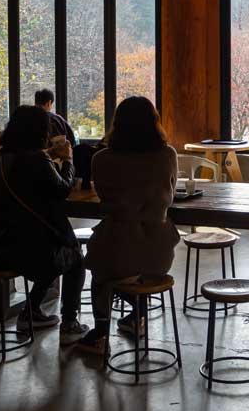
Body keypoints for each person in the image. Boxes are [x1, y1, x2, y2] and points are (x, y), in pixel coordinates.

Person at [76, 97, 180, 355]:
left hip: (117, 248)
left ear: (117, 123)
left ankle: (100, 334)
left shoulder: (101, 159)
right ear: (154, 122)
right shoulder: (167, 155)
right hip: (159, 254)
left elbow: (103, 198)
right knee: (132, 270)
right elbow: (171, 192)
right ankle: (136, 317)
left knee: (102, 274)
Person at [0, 105, 88, 344]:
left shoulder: (2, 156)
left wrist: (50, 154)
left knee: (53, 248)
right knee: (74, 258)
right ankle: (69, 322)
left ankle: (31, 311)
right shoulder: (36, 158)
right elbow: (62, 189)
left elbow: (29, 169)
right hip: (25, 253)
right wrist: (69, 160)